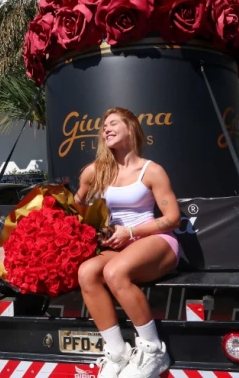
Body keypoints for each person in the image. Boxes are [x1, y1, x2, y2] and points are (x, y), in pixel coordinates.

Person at [74, 107, 181, 378]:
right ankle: (118, 353)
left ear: (130, 128)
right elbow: (77, 205)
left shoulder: (151, 170)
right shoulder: (96, 172)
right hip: (120, 247)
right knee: (86, 272)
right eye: (104, 126)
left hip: (155, 241)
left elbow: (172, 219)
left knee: (114, 271)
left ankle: (154, 351)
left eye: (113, 123)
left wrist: (130, 232)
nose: (106, 129)